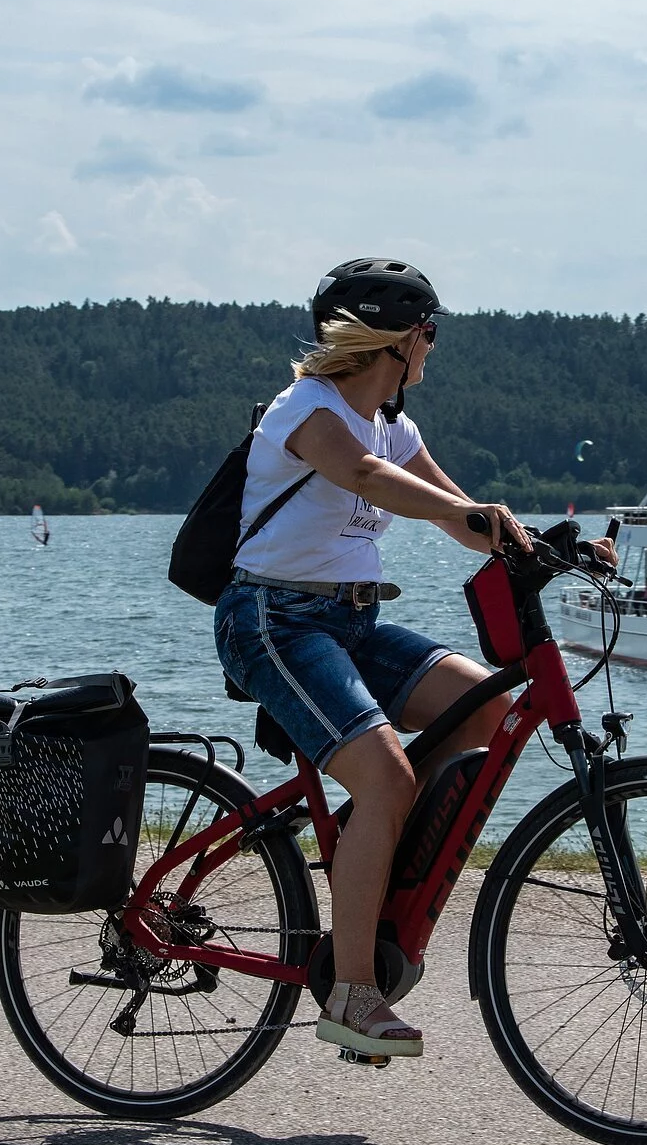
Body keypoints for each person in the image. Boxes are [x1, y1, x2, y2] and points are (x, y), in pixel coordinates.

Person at [214, 258, 605, 1061]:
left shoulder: (397, 426)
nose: (434, 348)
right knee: (390, 776)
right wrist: (474, 515)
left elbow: (462, 516)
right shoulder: (307, 409)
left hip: (352, 622)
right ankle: (353, 995)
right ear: (398, 339)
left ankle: (372, 832)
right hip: (271, 621)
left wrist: (545, 543)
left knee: (491, 710)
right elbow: (362, 477)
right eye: (429, 333)